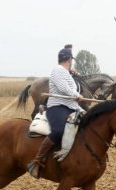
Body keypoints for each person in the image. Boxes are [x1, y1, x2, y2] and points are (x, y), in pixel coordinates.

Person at [27, 48, 85, 179]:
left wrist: (81, 110)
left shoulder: (66, 72)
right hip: (57, 107)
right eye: (71, 60)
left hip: (70, 107)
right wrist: (77, 94)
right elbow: (64, 89)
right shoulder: (57, 70)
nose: (71, 62)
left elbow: (70, 98)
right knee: (58, 131)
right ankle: (37, 161)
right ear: (69, 59)